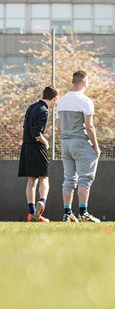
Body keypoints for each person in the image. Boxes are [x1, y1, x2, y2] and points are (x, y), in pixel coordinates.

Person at [57, 70, 101, 222]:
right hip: (80, 143)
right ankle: (83, 213)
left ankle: (67, 213)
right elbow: (89, 127)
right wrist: (96, 146)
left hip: (65, 143)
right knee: (85, 178)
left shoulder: (61, 101)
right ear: (83, 82)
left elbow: (58, 126)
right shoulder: (85, 101)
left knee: (68, 179)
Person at [18, 86, 59, 222]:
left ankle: (32, 214)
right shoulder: (44, 110)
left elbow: (26, 128)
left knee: (31, 180)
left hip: (26, 146)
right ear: (54, 98)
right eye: (56, 101)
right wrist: (45, 142)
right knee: (44, 178)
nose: (55, 104)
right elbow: (37, 133)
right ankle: (42, 202)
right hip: (37, 147)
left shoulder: (32, 107)